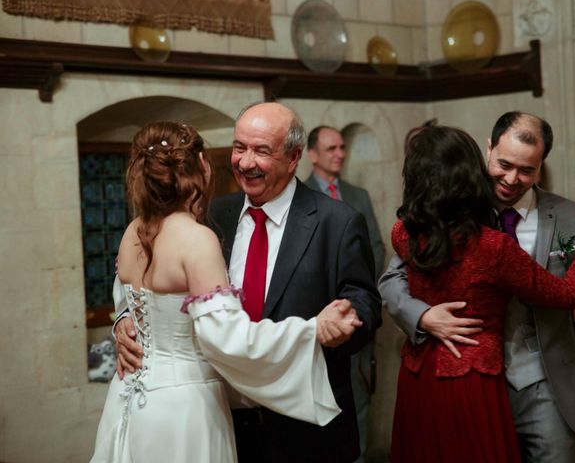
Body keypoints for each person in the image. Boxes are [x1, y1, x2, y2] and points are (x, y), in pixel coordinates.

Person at [115, 104, 382, 463]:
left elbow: (365, 300)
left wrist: (346, 323)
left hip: (302, 428)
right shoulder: (209, 218)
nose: (245, 162)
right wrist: (124, 320)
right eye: (240, 147)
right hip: (223, 418)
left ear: (293, 157)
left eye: (261, 151)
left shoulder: (338, 221)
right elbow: (144, 278)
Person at [380, 111, 575, 462]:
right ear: (488, 149)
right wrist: (423, 317)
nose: (512, 179)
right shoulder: (451, 209)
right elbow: (393, 279)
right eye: (504, 164)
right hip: (469, 382)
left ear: (542, 165)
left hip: (545, 382)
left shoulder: (571, 216)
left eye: (527, 170)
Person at [305, 125, 385, 462]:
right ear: (312, 154)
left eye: (342, 147)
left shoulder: (357, 195)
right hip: (312, 317)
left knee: (358, 396)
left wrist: (355, 295)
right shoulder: (302, 194)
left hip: (353, 312)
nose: (339, 154)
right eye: (331, 148)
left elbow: (376, 247)